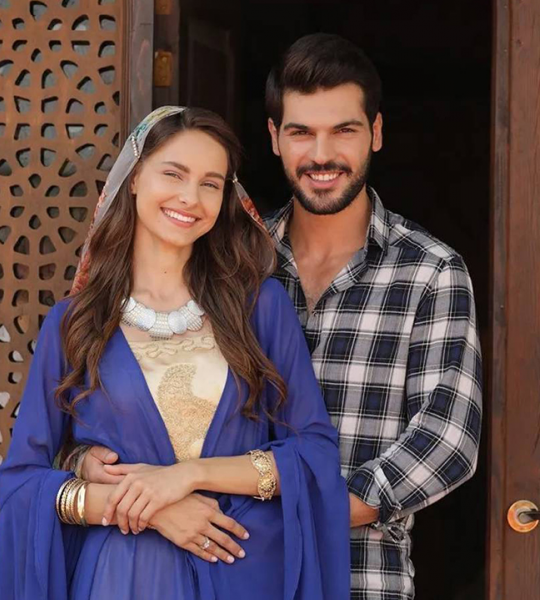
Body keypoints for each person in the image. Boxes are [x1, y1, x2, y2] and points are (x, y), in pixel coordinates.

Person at [75, 35, 483, 600]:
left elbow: (446, 441)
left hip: (360, 574)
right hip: (215, 572)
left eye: (343, 130)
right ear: (274, 137)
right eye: (301, 132)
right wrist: (89, 463)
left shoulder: (430, 271)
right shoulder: (232, 262)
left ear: (376, 133)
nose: (322, 154)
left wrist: (286, 517)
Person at [0, 106, 350, 600]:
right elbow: (22, 483)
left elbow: (314, 455)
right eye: (174, 174)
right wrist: (153, 509)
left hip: (241, 569)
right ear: (135, 178)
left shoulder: (260, 308)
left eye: (210, 183)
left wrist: (187, 476)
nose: (190, 197)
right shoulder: (75, 324)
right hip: (122, 580)